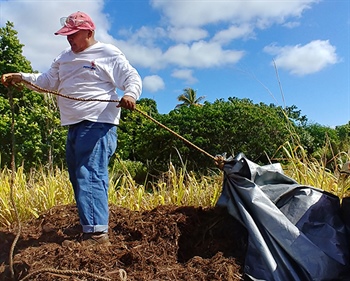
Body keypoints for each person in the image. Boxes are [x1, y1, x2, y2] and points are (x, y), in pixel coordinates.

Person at [1, 11, 142, 245]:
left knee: (90, 173)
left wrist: (130, 94)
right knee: (78, 176)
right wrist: (20, 77)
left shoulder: (108, 53)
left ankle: (97, 234)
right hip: (73, 125)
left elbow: (131, 76)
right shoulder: (63, 58)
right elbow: (46, 82)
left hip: (98, 122)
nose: (69, 39)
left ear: (89, 32)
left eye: (74, 35)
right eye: (67, 35)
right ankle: (90, 225)